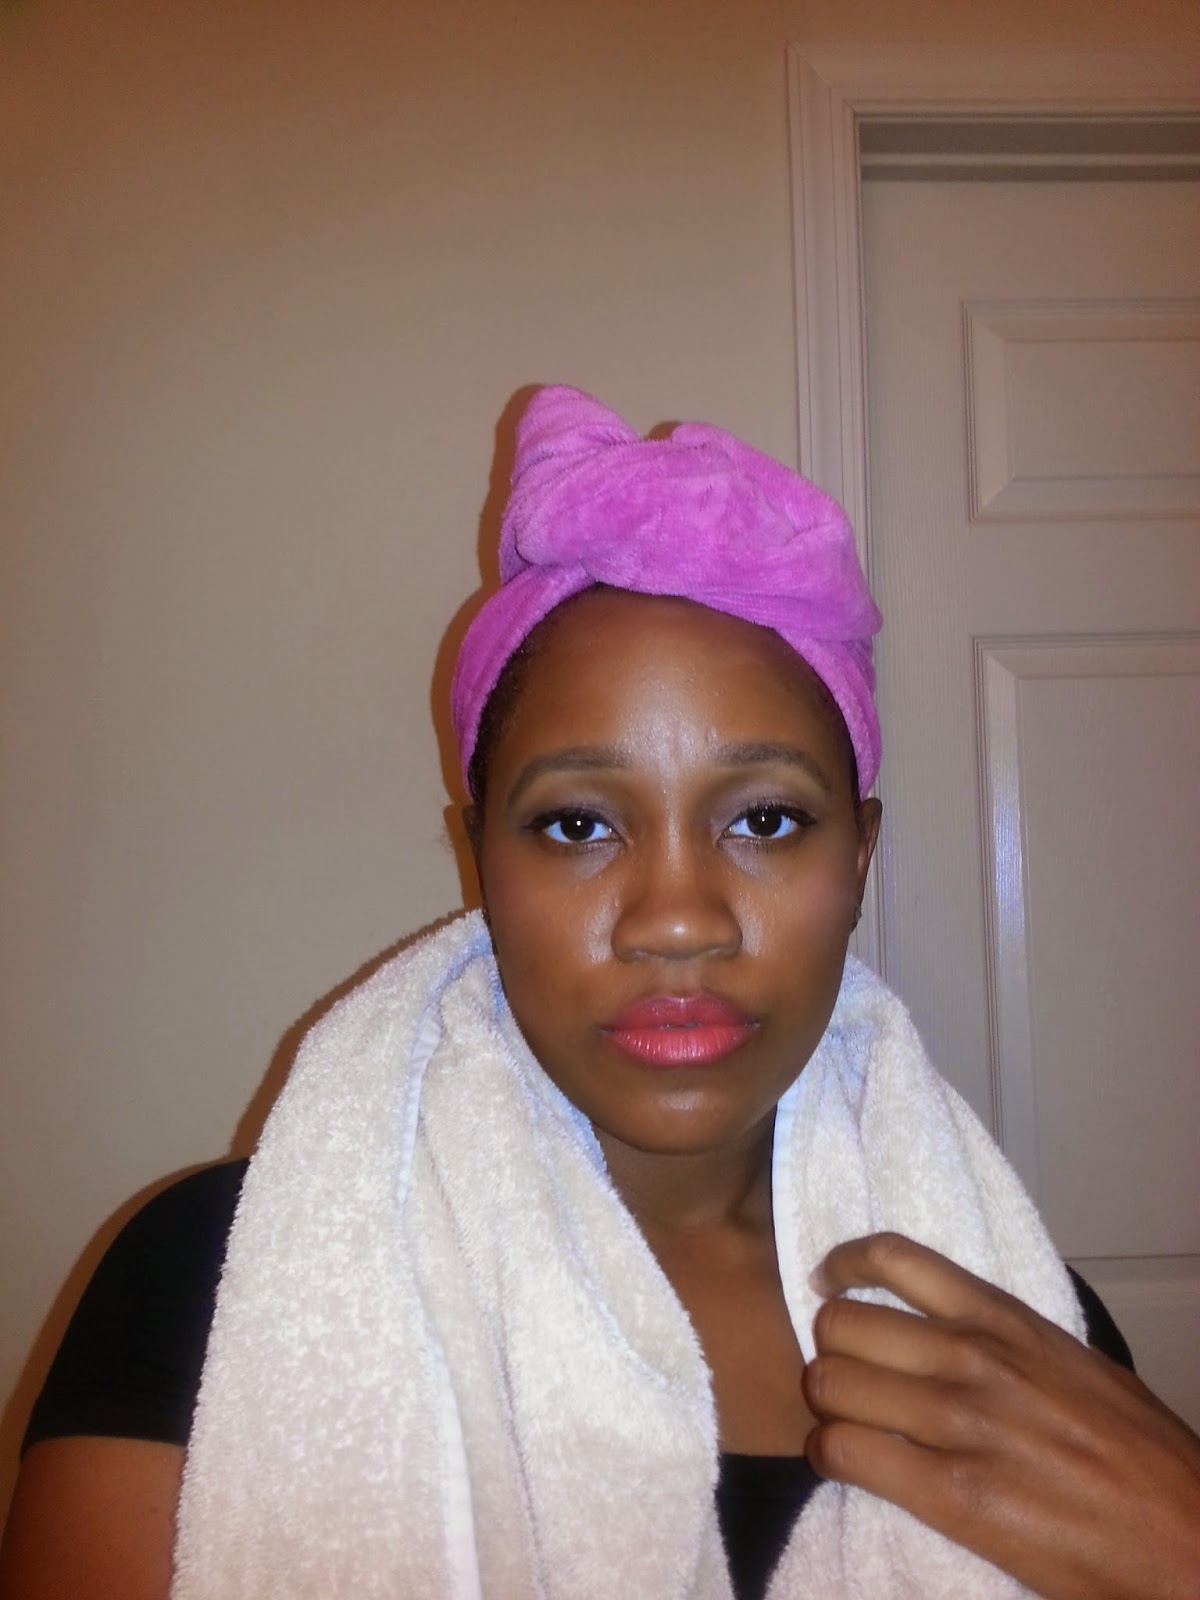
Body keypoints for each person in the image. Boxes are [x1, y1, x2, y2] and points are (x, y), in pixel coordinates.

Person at [2, 386, 1198, 1600]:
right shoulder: (212, 1284)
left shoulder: (1029, 1344)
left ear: (859, 860)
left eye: (765, 820)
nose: (676, 917)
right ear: (480, 860)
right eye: (577, 824)